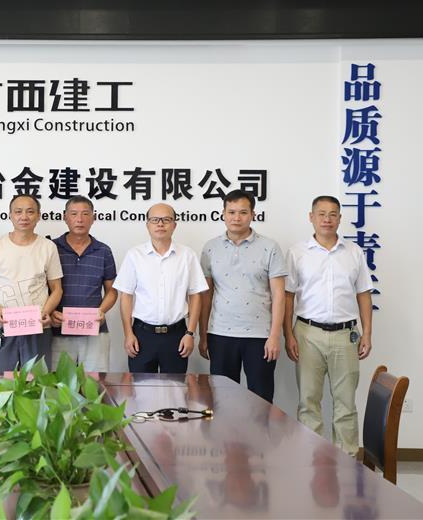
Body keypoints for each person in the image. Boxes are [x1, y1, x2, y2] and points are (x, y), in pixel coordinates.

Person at [283, 195, 373, 456]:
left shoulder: (353, 252)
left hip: (346, 335)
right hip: (307, 333)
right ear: (311, 217)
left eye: (333, 214)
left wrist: (367, 333)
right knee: (308, 401)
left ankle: (347, 458)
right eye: (321, 214)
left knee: (346, 403)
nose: (327, 219)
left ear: (340, 219)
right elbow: (288, 296)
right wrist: (288, 334)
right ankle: (310, 456)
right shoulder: (297, 253)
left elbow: (364, 294)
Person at [198, 190, 286, 403]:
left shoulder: (270, 247)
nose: (237, 218)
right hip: (220, 334)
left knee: (261, 399)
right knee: (222, 400)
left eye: (243, 212)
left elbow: (279, 295)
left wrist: (275, 336)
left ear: (253, 214)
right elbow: (206, 296)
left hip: (260, 336)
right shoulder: (210, 248)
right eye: (231, 212)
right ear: (223, 214)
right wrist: (203, 334)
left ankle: (259, 429)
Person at [115, 202, 207, 373]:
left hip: (177, 335)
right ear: (147, 225)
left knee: (175, 387)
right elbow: (126, 296)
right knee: (140, 387)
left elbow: (195, 295)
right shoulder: (135, 255)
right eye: (155, 220)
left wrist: (190, 333)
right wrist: (128, 334)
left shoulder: (187, 255)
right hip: (142, 335)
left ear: (174, 225)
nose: (160, 224)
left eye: (166, 219)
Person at [0, 194, 63, 372]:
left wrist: (46, 312)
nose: (24, 217)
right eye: (18, 212)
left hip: (37, 326)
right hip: (1, 325)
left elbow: (57, 289)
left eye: (30, 212)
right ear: (10, 215)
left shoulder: (48, 247)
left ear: (38, 216)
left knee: (37, 383)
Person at [50, 196, 118, 371]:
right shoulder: (50, 248)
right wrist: (50, 313)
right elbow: (40, 288)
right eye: (74, 214)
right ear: (65, 217)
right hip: (58, 331)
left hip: (94, 330)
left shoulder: (103, 251)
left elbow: (112, 291)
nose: (79, 219)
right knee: (57, 384)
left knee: (94, 384)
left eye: (85, 214)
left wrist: (102, 311)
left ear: (93, 218)